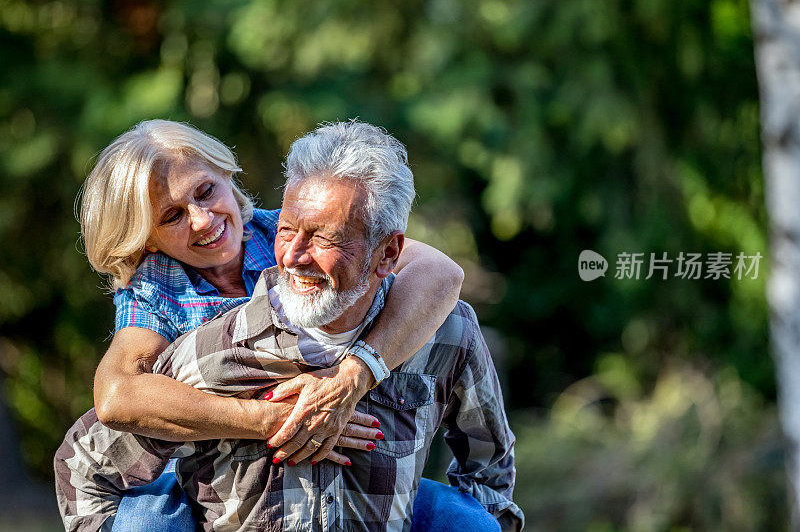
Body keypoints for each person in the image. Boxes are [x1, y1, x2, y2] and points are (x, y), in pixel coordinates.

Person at [56, 120, 523, 531]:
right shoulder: (156, 290)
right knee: (147, 518)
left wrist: (353, 375)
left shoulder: (288, 226)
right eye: (172, 216)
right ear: (148, 237)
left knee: (460, 519)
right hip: (193, 476)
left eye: (205, 192)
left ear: (227, 176)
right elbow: (117, 398)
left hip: (348, 490)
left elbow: (441, 274)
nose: (203, 221)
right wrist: (272, 420)